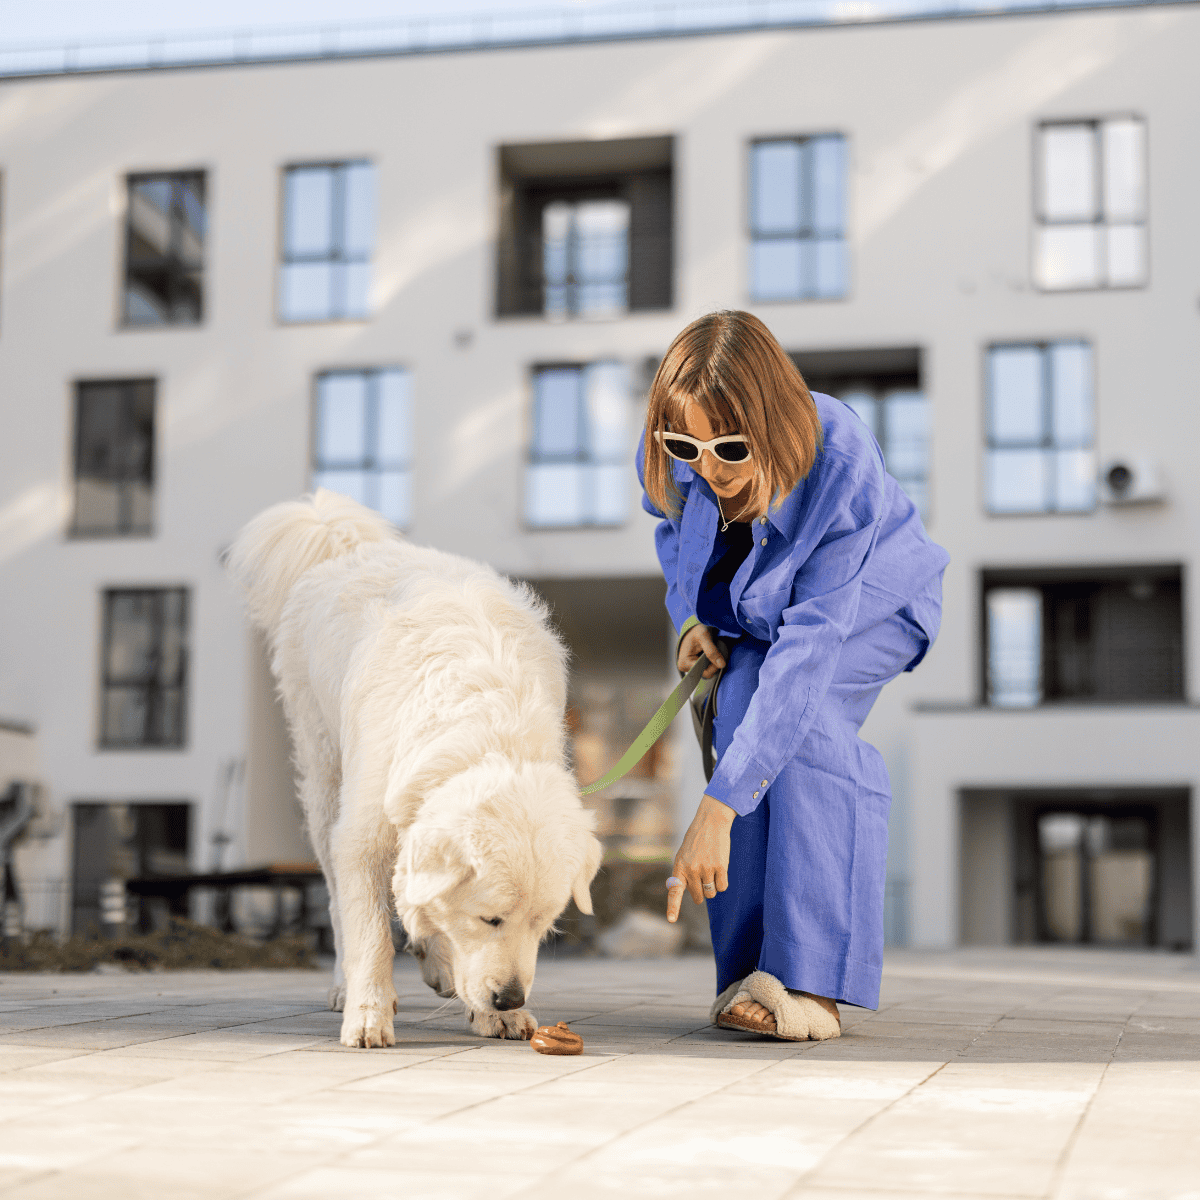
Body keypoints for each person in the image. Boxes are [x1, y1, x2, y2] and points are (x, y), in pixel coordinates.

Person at [637, 311, 949, 1041]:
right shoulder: (678, 444)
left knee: (799, 724)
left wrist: (715, 810)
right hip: (759, 611)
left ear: (772, 426)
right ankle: (750, 977)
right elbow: (670, 528)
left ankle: (813, 985)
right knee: (743, 704)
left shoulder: (840, 460)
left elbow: (809, 651)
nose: (705, 468)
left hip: (874, 598)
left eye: (732, 449)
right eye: (686, 445)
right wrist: (687, 618)